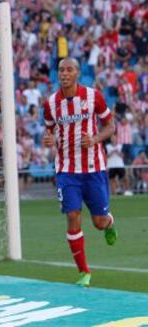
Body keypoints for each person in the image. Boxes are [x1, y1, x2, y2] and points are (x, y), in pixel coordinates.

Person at [43, 57, 117, 287]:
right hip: (66, 171)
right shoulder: (51, 103)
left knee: (98, 221)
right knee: (73, 215)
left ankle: (109, 223)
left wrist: (94, 139)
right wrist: (48, 139)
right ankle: (84, 271)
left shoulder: (94, 96)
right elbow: (49, 131)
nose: (64, 73)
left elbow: (110, 126)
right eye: (61, 70)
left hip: (94, 168)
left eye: (69, 69)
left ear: (77, 73)